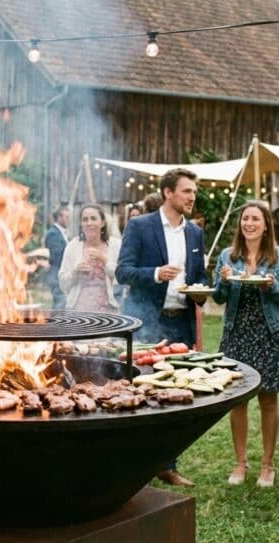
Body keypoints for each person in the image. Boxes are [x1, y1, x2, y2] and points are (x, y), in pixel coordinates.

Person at [117, 168, 207, 487]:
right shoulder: (140, 226)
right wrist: (156, 274)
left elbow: (200, 276)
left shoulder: (195, 233)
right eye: (186, 191)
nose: (192, 197)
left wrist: (200, 290)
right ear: (168, 193)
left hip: (180, 323)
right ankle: (133, 465)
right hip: (147, 324)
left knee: (175, 393)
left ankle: (167, 465)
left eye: (194, 192)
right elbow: (123, 272)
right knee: (140, 392)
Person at [213, 201, 279, 489]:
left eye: (255, 219)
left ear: (266, 225)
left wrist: (272, 286)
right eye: (245, 218)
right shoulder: (227, 256)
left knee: (268, 401)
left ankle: (268, 464)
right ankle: (240, 462)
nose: (249, 223)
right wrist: (224, 282)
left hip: (267, 333)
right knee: (238, 400)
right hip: (236, 333)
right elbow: (218, 298)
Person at [59, 203, 122, 313]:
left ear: (102, 223)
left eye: (93, 218)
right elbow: (62, 283)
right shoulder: (72, 246)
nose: (89, 223)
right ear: (81, 224)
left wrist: (105, 261)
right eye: (85, 219)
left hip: (109, 311)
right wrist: (75, 272)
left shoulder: (116, 246)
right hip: (78, 312)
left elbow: (123, 277)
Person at [45, 206, 71, 308]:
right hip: (56, 273)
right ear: (60, 217)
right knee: (60, 302)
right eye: (67, 217)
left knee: (61, 303)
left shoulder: (60, 232)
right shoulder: (53, 233)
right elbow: (56, 257)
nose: (69, 220)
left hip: (60, 273)